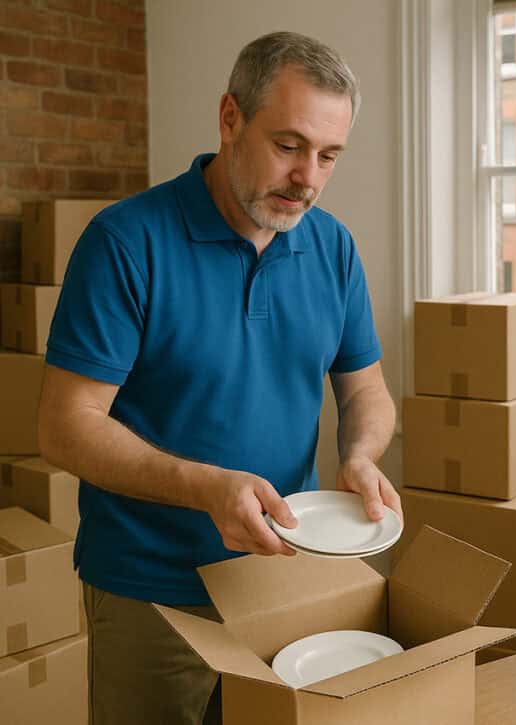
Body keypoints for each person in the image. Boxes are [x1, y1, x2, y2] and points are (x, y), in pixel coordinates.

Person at [37, 32, 400, 724]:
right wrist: (207, 486)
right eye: (289, 145)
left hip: (283, 580)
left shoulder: (332, 247)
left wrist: (361, 453)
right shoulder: (125, 242)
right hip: (153, 592)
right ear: (230, 119)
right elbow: (64, 426)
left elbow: (365, 390)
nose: (309, 178)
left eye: (329, 156)